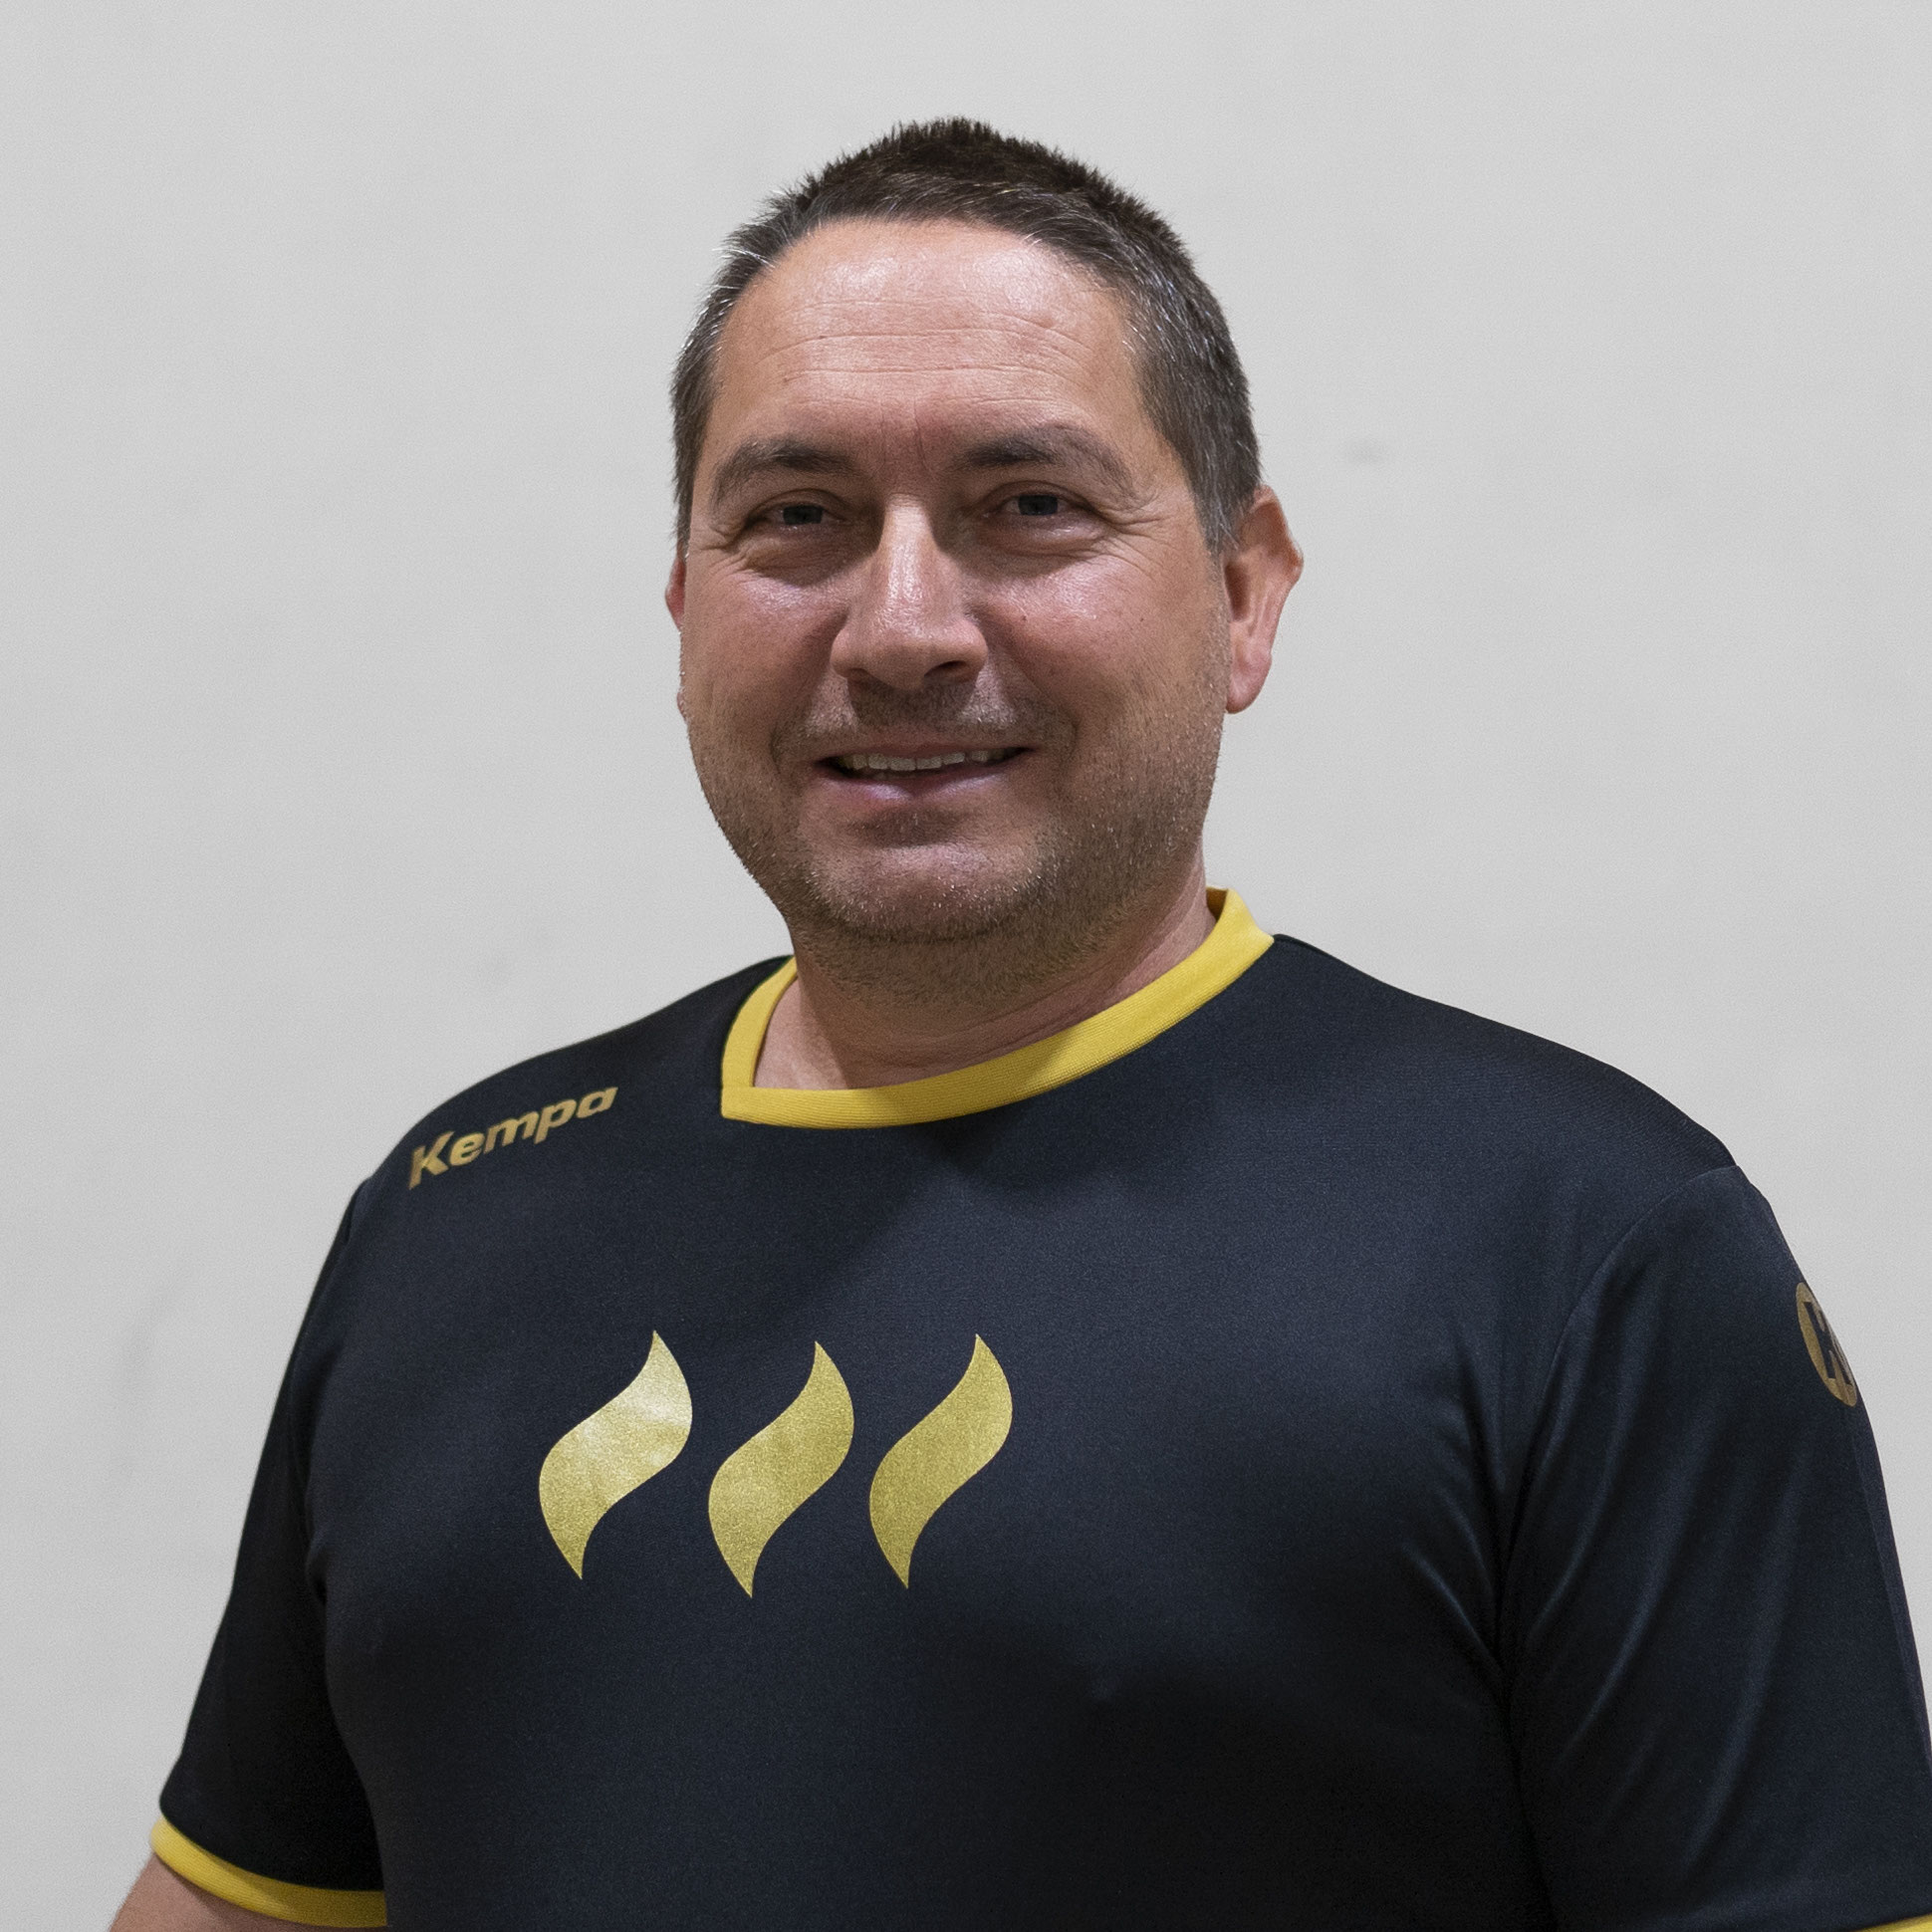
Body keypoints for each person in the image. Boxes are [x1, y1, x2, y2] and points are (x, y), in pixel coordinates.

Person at [116, 120, 1932, 1932]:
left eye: (1029, 507)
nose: (901, 628)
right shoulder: (455, 1217)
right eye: (798, 519)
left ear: (1244, 592)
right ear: (682, 606)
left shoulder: (1584, 1252)